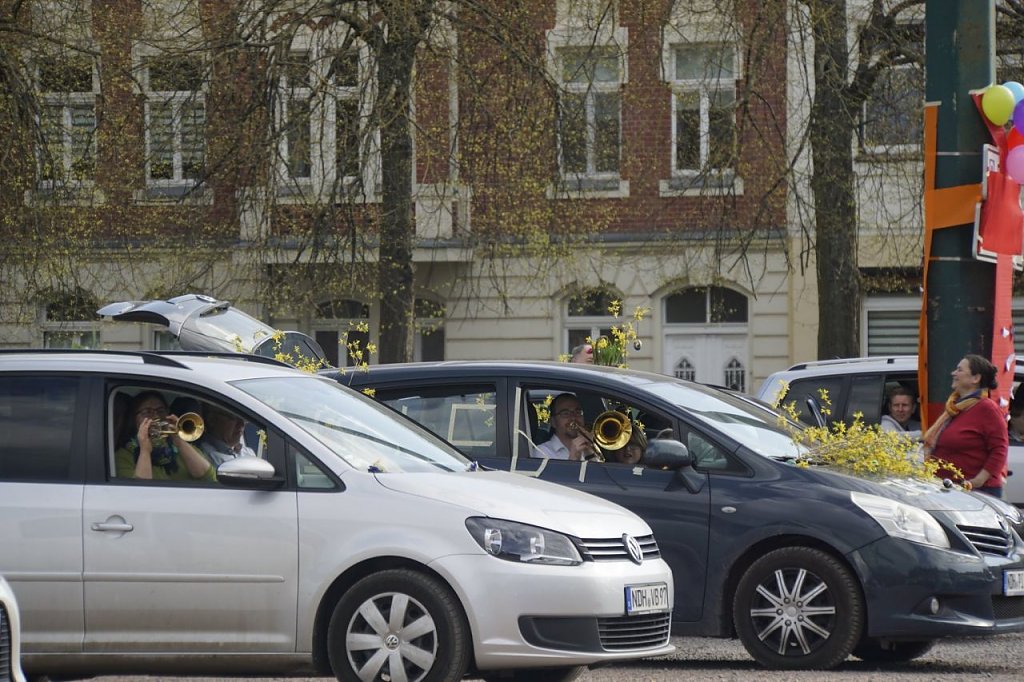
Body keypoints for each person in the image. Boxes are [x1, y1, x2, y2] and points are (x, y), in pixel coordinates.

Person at [924, 354, 1008, 498]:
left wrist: (978, 481)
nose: (953, 373)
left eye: (959, 370)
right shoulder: (954, 407)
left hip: (977, 492)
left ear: (975, 378)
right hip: (947, 488)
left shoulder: (987, 408)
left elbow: (1000, 449)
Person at [115, 390, 217, 482]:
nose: (156, 416)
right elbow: (140, 490)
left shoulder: (180, 447)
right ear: (134, 419)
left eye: (161, 411)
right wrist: (145, 450)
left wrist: (179, 440)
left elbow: (210, 478)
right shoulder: (123, 456)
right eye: (147, 412)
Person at [533, 393, 597, 460]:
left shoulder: (591, 446)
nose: (573, 418)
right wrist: (574, 458)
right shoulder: (542, 452)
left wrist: (590, 454)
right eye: (565, 414)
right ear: (553, 422)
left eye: (578, 412)